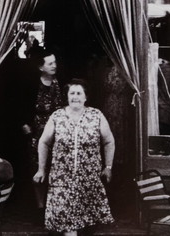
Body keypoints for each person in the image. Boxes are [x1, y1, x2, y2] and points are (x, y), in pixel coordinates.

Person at [33, 79, 114, 235]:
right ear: (67, 96)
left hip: (89, 180)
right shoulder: (57, 116)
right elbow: (43, 142)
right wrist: (41, 169)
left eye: (79, 93)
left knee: (87, 224)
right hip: (62, 180)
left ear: (85, 97)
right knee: (67, 225)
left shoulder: (96, 115)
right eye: (72, 93)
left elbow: (109, 141)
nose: (75, 97)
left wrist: (108, 167)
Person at [21, 49, 63, 208]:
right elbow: (21, 106)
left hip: (57, 131)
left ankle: (54, 204)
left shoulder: (59, 82)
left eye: (55, 62)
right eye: (50, 63)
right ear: (41, 67)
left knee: (56, 167)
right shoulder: (32, 84)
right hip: (37, 132)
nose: (54, 66)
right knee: (37, 166)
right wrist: (25, 124)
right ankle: (40, 206)